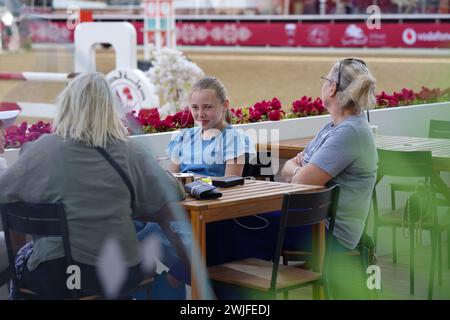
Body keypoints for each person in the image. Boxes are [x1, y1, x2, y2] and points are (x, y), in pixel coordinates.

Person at [0, 73, 189, 299]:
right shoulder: (131, 152)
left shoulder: (43, 149)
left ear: (66, 106)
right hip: (118, 274)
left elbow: (6, 194)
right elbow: (172, 192)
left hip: (56, 275)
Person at [280, 58, 378, 298]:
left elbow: (299, 182)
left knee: (239, 228)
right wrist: (298, 170)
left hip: (327, 234)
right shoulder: (335, 126)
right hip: (314, 225)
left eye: (325, 80)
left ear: (332, 88)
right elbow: (292, 169)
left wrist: (297, 171)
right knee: (241, 227)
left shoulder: (349, 131)